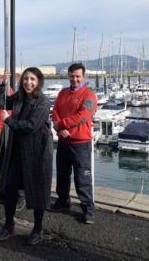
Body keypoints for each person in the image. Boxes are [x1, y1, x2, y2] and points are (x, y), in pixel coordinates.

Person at [0, 68, 53, 245]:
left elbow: (31, 126)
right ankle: (8, 223)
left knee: (38, 190)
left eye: (32, 79)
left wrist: (8, 121)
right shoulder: (19, 97)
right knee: (10, 189)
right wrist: (2, 84)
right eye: (26, 79)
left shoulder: (42, 101)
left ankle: (37, 228)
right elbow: (0, 103)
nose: (28, 82)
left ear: (39, 81)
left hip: (37, 152)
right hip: (17, 151)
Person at [50, 63, 97, 224]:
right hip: (63, 141)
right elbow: (55, 112)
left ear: (83, 76)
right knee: (62, 176)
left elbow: (84, 115)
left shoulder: (89, 94)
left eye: (78, 76)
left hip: (81, 144)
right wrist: (59, 129)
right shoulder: (62, 93)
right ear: (68, 76)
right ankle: (63, 202)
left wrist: (62, 125)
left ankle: (88, 209)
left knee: (82, 179)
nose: (75, 79)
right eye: (72, 75)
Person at [0, 66, 24, 209]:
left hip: (4, 130)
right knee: (2, 163)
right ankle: (5, 191)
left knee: (11, 163)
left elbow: (4, 110)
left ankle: (19, 196)